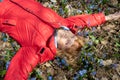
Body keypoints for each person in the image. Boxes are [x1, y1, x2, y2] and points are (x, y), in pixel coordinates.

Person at [0, 0, 120, 80]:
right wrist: (108, 17)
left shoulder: (39, 48)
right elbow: (84, 21)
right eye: (72, 37)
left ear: (61, 50)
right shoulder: (64, 24)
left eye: (67, 42)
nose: (68, 37)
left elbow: (19, 69)